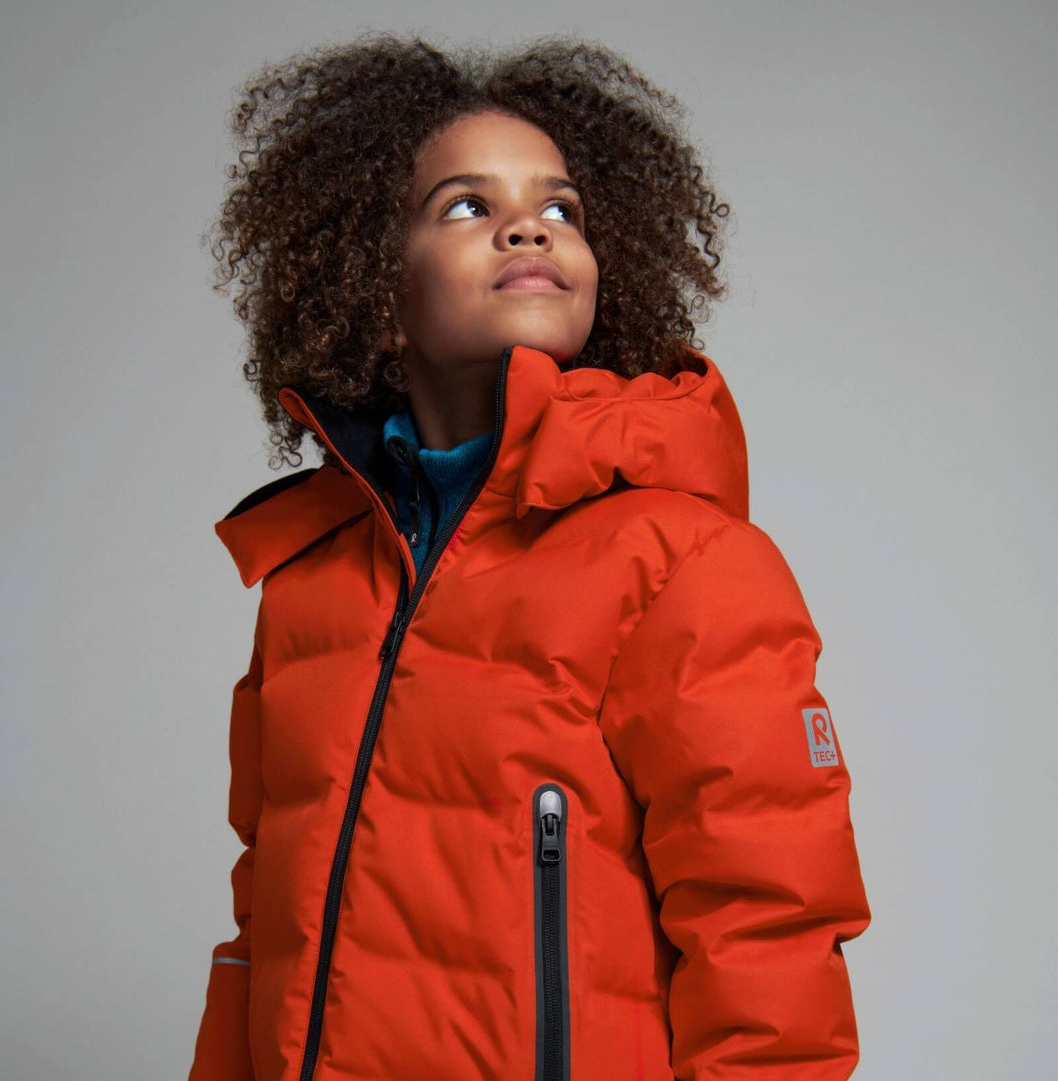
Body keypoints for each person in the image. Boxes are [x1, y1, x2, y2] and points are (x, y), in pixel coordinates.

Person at [187, 31, 871, 1081]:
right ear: (379, 294)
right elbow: (264, 918)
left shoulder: (680, 560)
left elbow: (767, 929)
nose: (526, 226)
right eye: (466, 205)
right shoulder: (309, 583)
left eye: (561, 209)